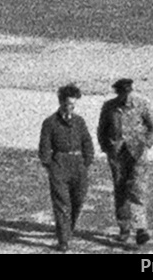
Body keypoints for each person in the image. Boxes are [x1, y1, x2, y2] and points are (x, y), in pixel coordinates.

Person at [97, 78, 153, 246]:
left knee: (137, 190)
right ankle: (124, 228)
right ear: (117, 93)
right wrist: (107, 148)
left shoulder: (141, 104)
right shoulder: (109, 107)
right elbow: (101, 129)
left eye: (128, 93)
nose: (126, 97)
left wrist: (146, 143)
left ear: (131, 91)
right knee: (121, 190)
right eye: (122, 93)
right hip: (117, 156)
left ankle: (140, 228)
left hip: (137, 154)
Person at [37, 83, 94, 252]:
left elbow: (87, 142)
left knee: (78, 201)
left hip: (78, 166)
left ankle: (68, 230)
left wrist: (87, 161)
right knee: (62, 204)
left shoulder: (79, 121)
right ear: (60, 102)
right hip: (59, 165)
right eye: (68, 104)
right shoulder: (50, 123)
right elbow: (44, 147)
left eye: (73, 104)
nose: (70, 107)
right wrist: (50, 165)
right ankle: (63, 240)